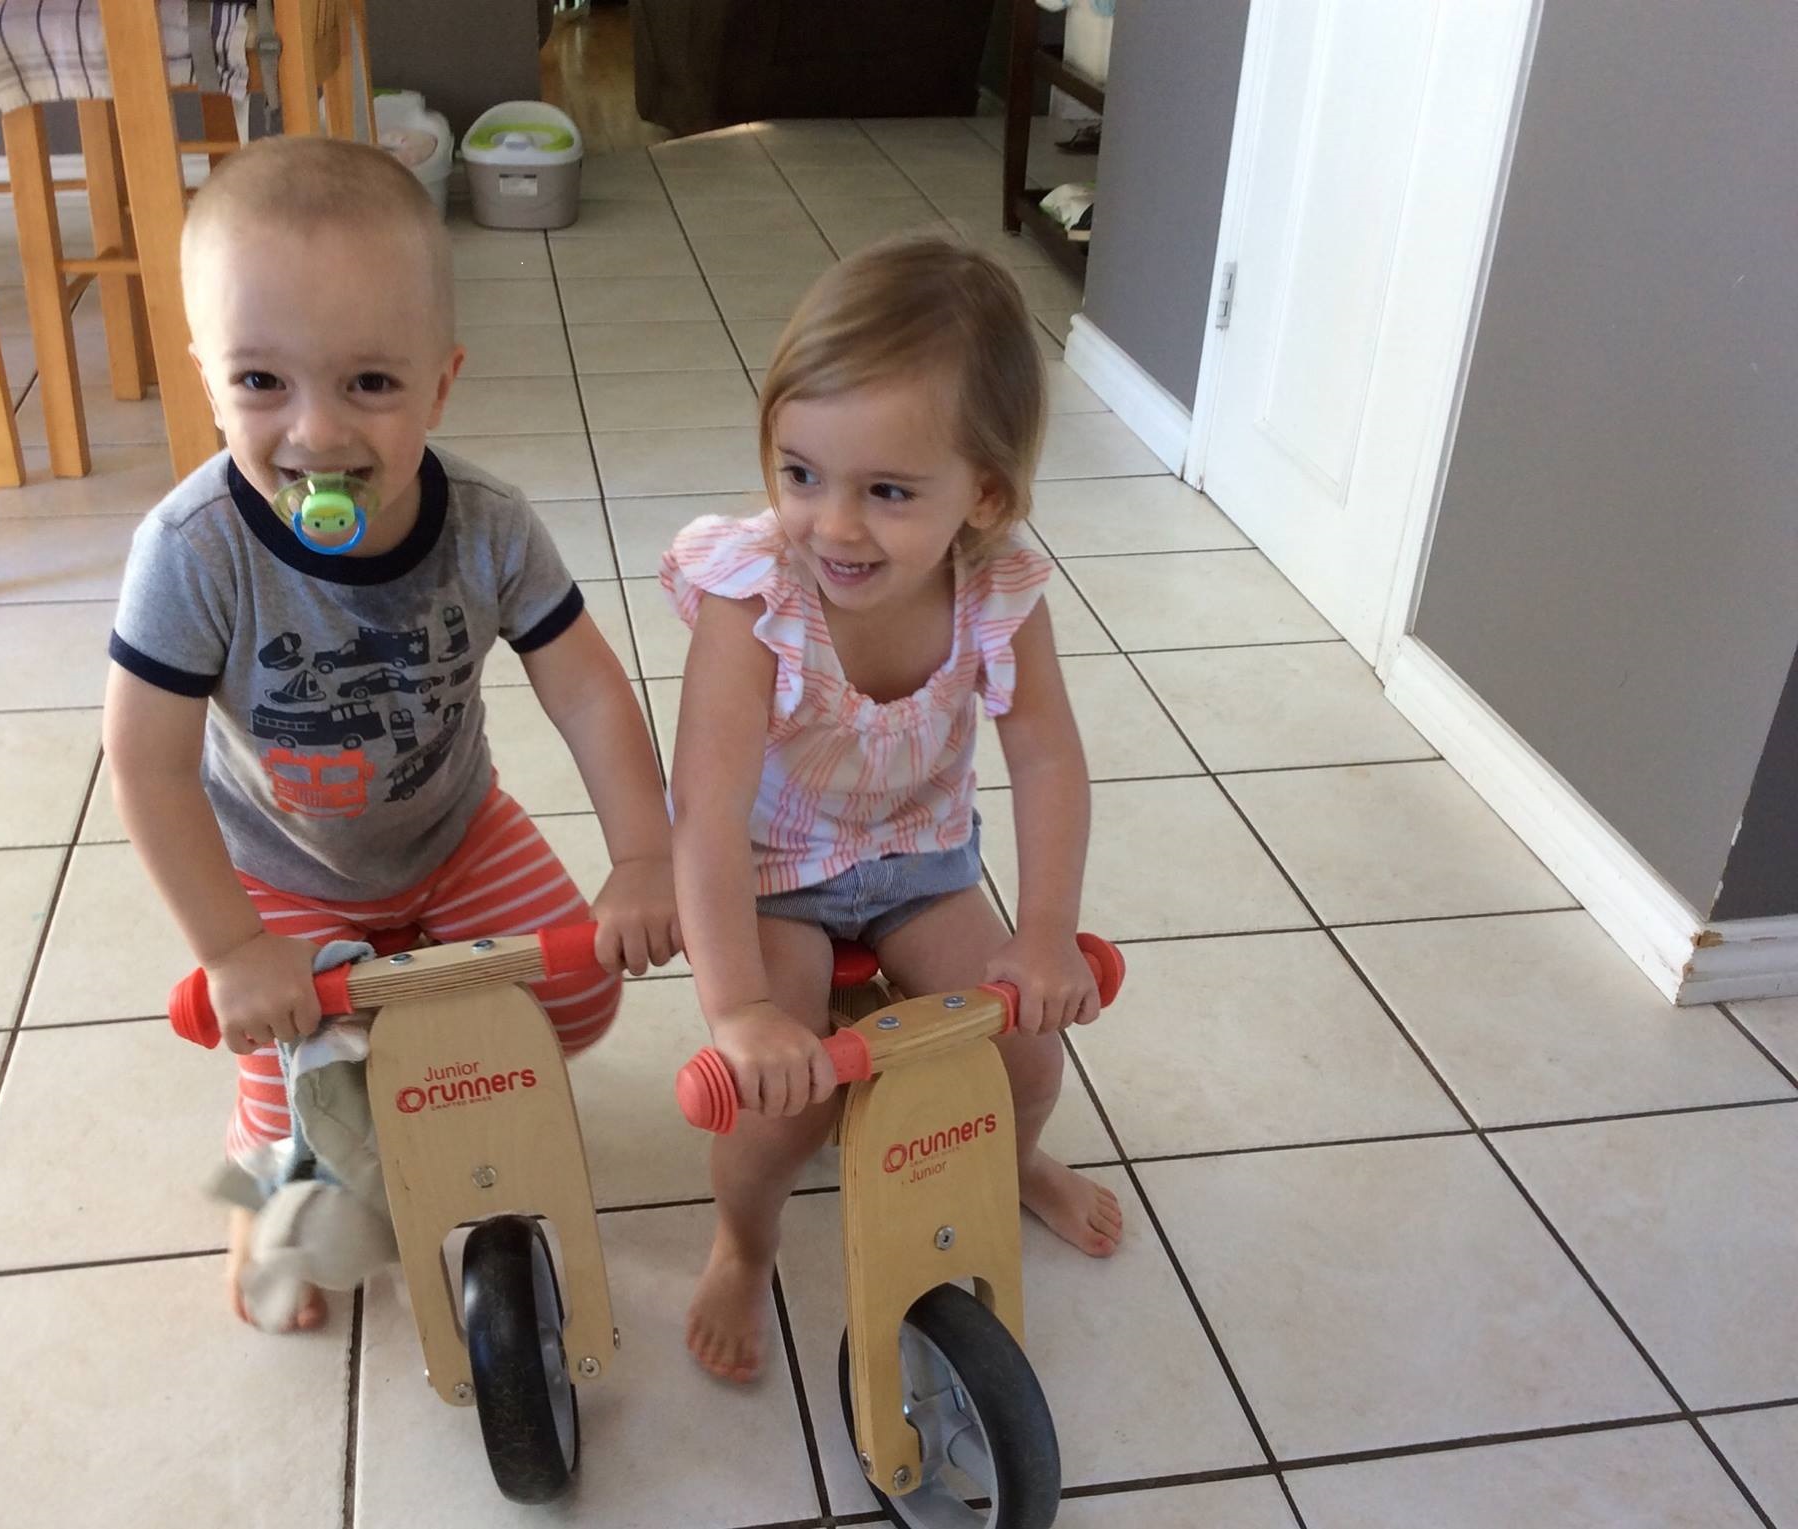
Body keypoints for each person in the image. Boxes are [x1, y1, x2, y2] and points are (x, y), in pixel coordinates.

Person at [103, 137, 677, 1329]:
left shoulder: (488, 527)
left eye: (369, 382)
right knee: (285, 1087)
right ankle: (261, 1178)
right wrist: (231, 947)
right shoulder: (192, 551)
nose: (315, 433)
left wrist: (642, 857)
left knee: (575, 997)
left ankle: (430, 1091)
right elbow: (149, 763)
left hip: (454, 828)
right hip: (279, 870)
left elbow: (585, 689)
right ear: (206, 375)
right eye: (262, 382)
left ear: (441, 381)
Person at [662, 234, 1121, 1383]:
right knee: (783, 1098)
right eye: (801, 472)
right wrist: (735, 1011)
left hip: (919, 853)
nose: (834, 525)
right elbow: (705, 810)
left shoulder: (1000, 591)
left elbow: (1049, 761)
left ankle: (1011, 1159)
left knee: (1019, 1052)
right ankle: (743, 1237)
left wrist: (1045, 931)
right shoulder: (752, 592)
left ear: (985, 495)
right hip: (775, 867)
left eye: (887, 492)